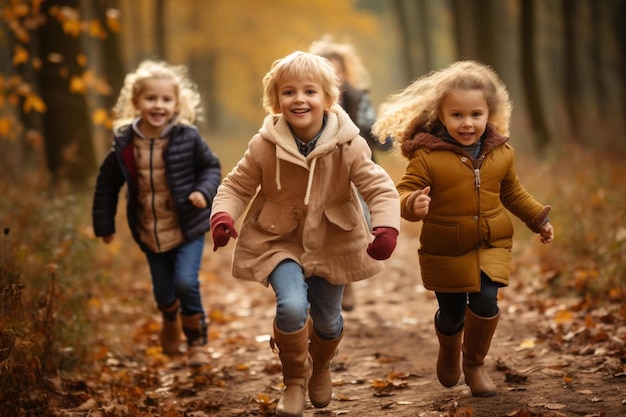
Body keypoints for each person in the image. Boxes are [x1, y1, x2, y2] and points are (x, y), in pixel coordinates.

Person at [210, 51, 400, 416]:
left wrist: (386, 227)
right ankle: (293, 380)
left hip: (334, 239)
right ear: (276, 101)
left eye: (310, 91)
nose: (299, 99)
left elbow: (379, 188)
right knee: (292, 306)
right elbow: (236, 186)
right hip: (278, 240)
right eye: (289, 92)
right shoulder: (264, 145)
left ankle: (322, 366)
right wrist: (223, 216)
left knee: (328, 321)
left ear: (329, 99)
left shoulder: (350, 144)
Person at [372, 60, 554, 397]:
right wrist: (412, 204)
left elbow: (512, 192)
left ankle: (474, 364)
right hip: (447, 248)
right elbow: (401, 192)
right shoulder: (427, 157)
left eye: (475, 115)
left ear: (489, 115)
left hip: (491, 244)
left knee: (486, 303)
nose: (467, 123)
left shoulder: (502, 153)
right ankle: (448, 347)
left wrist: (537, 219)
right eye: (457, 115)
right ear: (441, 116)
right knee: (452, 313)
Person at [92, 60, 222, 367]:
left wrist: (202, 192)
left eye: (166, 99)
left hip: (186, 225)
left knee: (186, 284)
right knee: (164, 291)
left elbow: (211, 167)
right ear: (136, 102)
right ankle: (169, 318)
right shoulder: (125, 143)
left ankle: (196, 342)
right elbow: (107, 184)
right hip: (149, 229)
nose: (158, 105)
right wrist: (104, 224)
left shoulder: (187, 137)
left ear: (177, 103)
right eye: (151, 98)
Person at [309, 35, 393, 312]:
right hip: (320, 173)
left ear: (346, 73)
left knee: (359, 221)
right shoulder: (308, 98)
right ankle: (328, 280)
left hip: (356, 170)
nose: (334, 77)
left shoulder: (358, 98)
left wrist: (383, 135)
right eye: (326, 70)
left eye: (339, 71)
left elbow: (374, 129)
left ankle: (347, 280)